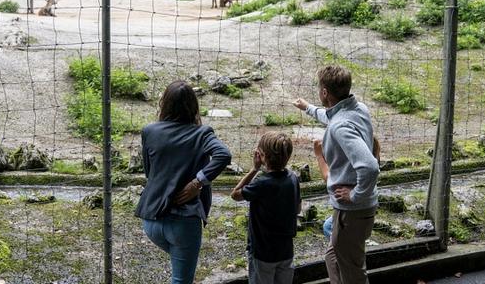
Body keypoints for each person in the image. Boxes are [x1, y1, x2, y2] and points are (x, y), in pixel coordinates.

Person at [135, 80, 232, 284]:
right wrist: (198, 182)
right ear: (194, 106)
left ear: (165, 104)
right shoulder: (202, 134)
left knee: (181, 271)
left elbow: (149, 172)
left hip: (151, 219)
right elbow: (223, 154)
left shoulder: (149, 131)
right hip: (184, 222)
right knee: (181, 279)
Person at [292, 65, 379, 284]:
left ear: (324, 92)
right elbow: (333, 115)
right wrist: (308, 108)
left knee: (353, 273)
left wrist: (355, 195)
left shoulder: (340, 126)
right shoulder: (359, 109)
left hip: (352, 210)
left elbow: (369, 167)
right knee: (333, 255)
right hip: (359, 210)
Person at [231, 132, 301, 284]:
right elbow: (298, 209)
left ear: (262, 156)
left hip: (263, 252)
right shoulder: (293, 178)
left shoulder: (261, 183)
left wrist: (254, 169)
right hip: (286, 251)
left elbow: (235, 194)